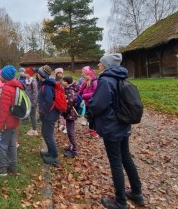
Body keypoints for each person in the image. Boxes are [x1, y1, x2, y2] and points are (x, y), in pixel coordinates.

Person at [91, 53, 144, 209]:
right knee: (126, 158)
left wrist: (90, 106)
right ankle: (137, 193)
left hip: (111, 127)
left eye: (100, 63)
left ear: (106, 65)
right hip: (123, 124)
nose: (99, 65)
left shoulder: (106, 80)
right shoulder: (120, 77)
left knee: (116, 162)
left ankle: (120, 202)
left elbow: (98, 105)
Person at [0, 65, 23, 176]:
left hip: (6, 123)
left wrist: (0, 124)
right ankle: (13, 166)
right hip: (14, 121)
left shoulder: (7, 89)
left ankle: (2, 169)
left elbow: (4, 110)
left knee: (2, 145)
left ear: (6, 76)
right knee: (12, 145)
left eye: (2, 74)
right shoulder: (17, 86)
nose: (0, 75)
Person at [37, 65, 61, 167]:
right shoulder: (45, 83)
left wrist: (43, 111)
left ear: (41, 74)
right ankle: (50, 152)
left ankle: (54, 155)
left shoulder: (47, 86)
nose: (37, 74)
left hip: (50, 114)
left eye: (38, 73)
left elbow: (49, 101)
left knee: (48, 134)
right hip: (49, 114)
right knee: (45, 132)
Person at [60, 76, 79, 158]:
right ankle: (71, 146)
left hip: (71, 115)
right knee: (69, 131)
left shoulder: (70, 90)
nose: (61, 81)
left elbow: (70, 103)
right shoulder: (67, 89)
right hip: (69, 114)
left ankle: (74, 150)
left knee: (70, 132)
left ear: (67, 82)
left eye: (63, 81)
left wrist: (63, 111)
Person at [79, 67, 98, 138]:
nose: (85, 76)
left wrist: (85, 95)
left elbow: (95, 92)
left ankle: (96, 131)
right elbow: (80, 89)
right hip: (87, 102)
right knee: (89, 116)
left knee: (93, 117)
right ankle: (90, 128)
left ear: (90, 75)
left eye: (86, 75)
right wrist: (77, 95)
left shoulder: (94, 82)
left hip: (92, 102)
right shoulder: (85, 81)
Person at [24, 67, 39, 136]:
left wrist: (33, 102)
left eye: (26, 73)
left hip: (32, 102)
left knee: (33, 116)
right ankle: (33, 127)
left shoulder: (33, 82)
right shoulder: (26, 81)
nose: (25, 74)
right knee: (31, 115)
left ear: (30, 74)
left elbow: (35, 93)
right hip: (28, 101)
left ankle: (35, 130)